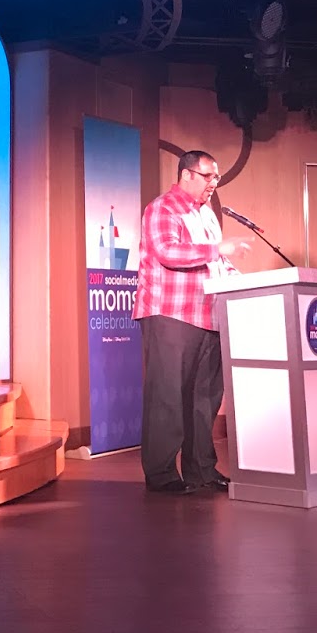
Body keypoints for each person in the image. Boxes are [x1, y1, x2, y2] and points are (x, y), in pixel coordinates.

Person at [133, 150, 251, 494]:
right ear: (186, 174)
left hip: (208, 316)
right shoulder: (163, 208)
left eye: (217, 177)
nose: (214, 183)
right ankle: (161, 474)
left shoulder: (208, 215)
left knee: (205, 399)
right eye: (208, 176)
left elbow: (218, 263)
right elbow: (167, 252)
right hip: (170, 313)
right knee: (167, 396)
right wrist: (218, 250)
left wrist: (243, 280)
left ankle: (202, 471)